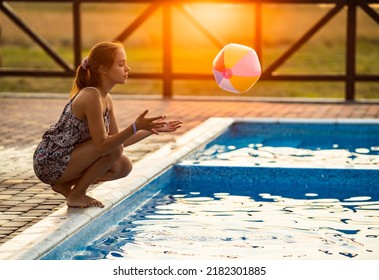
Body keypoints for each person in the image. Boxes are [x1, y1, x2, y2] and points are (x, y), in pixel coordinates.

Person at [33, 41, 182, 208]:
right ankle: (77, 194)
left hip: (68, 159)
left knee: (123, 166)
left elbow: (119, 140)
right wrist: (135, 126)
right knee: (114, 150)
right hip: (50, 161)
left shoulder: (106, 98)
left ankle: (64, 185)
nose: (127, 69)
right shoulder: (91, 96)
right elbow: (104, 146)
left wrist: (151, 129)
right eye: (121, 64)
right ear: (103, 69)